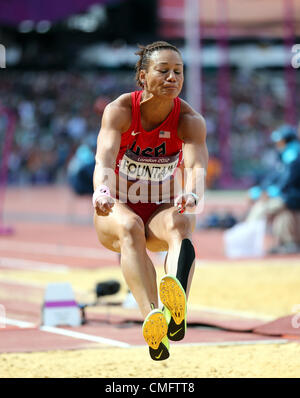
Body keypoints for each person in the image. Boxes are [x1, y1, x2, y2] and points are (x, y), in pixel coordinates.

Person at [92, 41, 208, 360]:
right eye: (164, 70)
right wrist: (101, 192)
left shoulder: (190, 119)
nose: (173, 77)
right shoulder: (119, 111)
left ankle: (177, 305)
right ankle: (153, 319)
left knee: (181, 221)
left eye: (178, 72)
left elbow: (196, 166)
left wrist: (192, 192)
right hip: (116, 206)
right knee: (130, 227)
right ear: (143, 76)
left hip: (158, 206)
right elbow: (103, 160)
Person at [246, 125, 300, 254]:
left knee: (261, 208)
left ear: (287, 140)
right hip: (288, 196)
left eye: (280, 141)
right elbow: (274, 176)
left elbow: (287, 180)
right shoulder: (285, 154)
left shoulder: (293, 155)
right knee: (284, 214)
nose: (277, 144)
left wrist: (269, 192)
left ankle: (247, 239)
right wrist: (260, 190)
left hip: (293, 196)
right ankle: (289, 244)